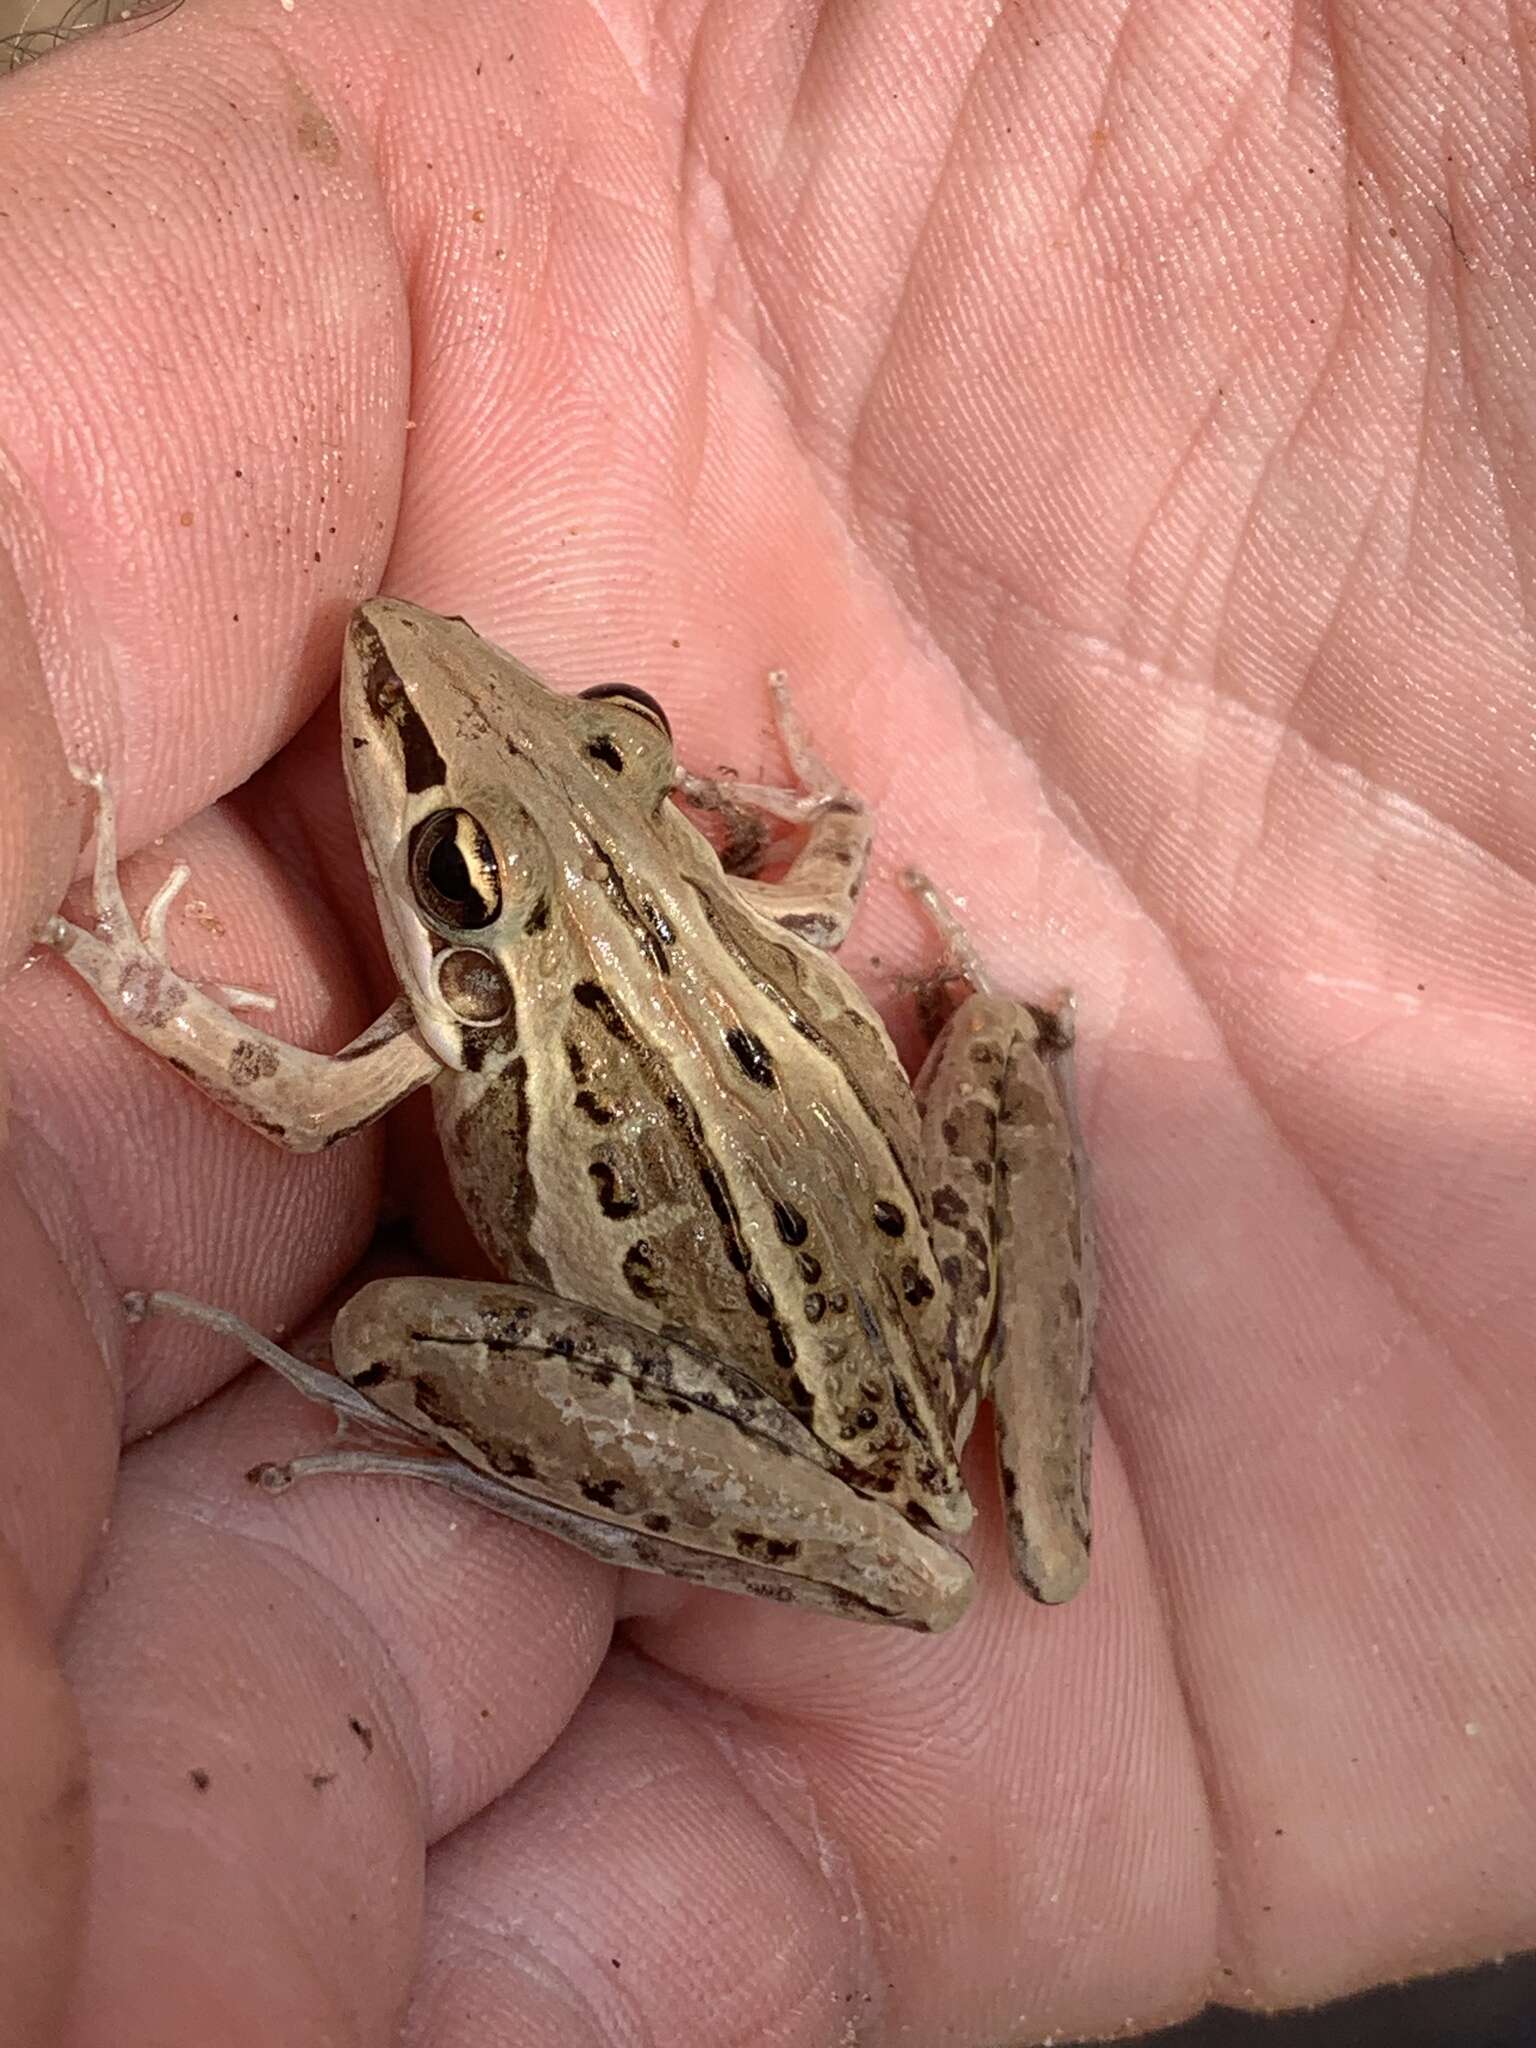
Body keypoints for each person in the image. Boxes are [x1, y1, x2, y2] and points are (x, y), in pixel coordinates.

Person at [0, 4, 1528, 2043]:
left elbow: (290, 1085)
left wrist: (114, 957)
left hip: (771, 1374)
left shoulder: (435, 1026)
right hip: (883, 1302)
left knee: (374, 1331)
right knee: (1002, 1034)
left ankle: (482, 1446)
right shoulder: (755, 883)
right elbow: (823, 857)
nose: (420, 695)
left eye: (531, 789)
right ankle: (1045, 1498)